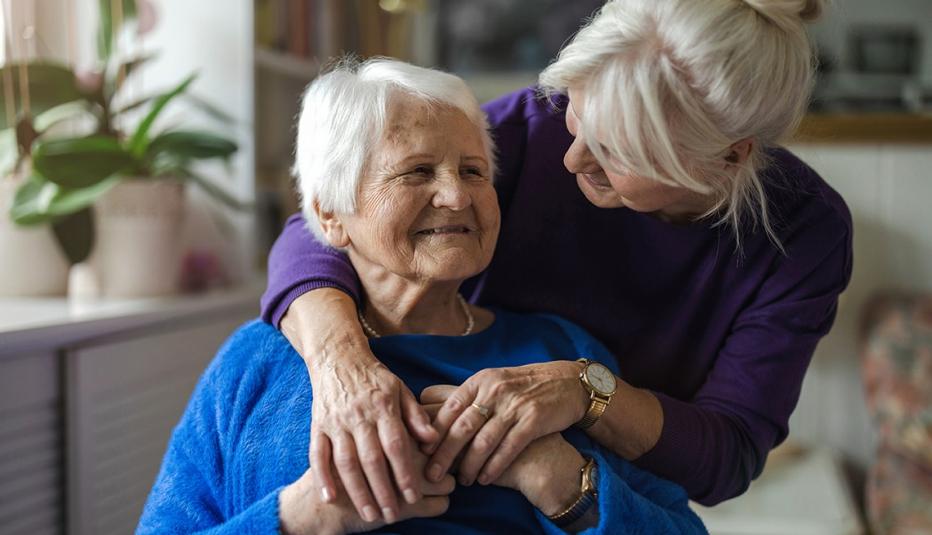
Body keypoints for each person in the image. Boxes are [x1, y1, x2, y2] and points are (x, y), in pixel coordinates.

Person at [261, 0, 853, 522]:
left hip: (604, 488)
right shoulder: (535, 124)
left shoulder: (804, 233)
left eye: (617, 150)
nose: (572, 159)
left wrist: (586, 394)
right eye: (578, 114)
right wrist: (343, 367)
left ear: (728, 158)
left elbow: (728, 454)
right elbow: (324, 225)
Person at [137, 58, 706, 534]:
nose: (456, 196)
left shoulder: (561, 355)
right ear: (330, 215)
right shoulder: (257, 361)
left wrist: (558, 477)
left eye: (473, 171)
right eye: (416, 172)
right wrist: (303, 517)